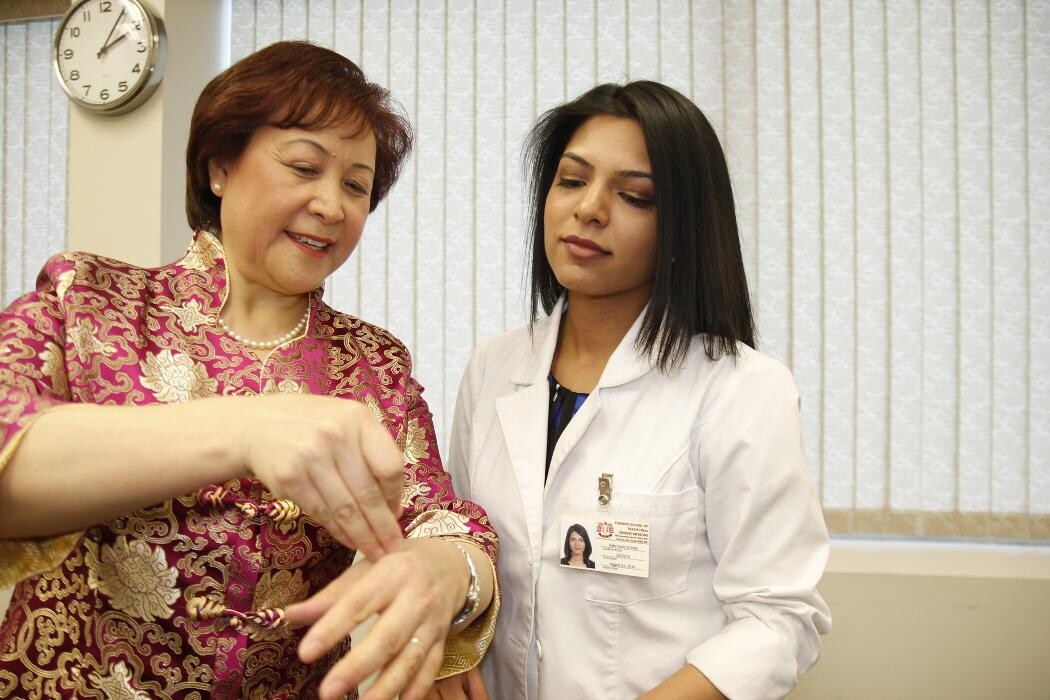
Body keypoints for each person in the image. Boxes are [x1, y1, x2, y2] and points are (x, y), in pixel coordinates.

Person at [0, 41, 498, 700]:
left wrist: (446, 571)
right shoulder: (88, 299)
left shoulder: (372, 362)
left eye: (356, 185)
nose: (332, 204)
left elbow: (446, 518)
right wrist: (241, 429)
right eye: (303, 166)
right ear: (218, 168)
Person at [443, 81, 831, 699]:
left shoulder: (740, 389)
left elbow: (779, 620)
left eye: (634, 196)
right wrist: (447, 640)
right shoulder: (493, 368)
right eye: (571, 181)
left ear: (683, 227)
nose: (590, 208)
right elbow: (459, 544)